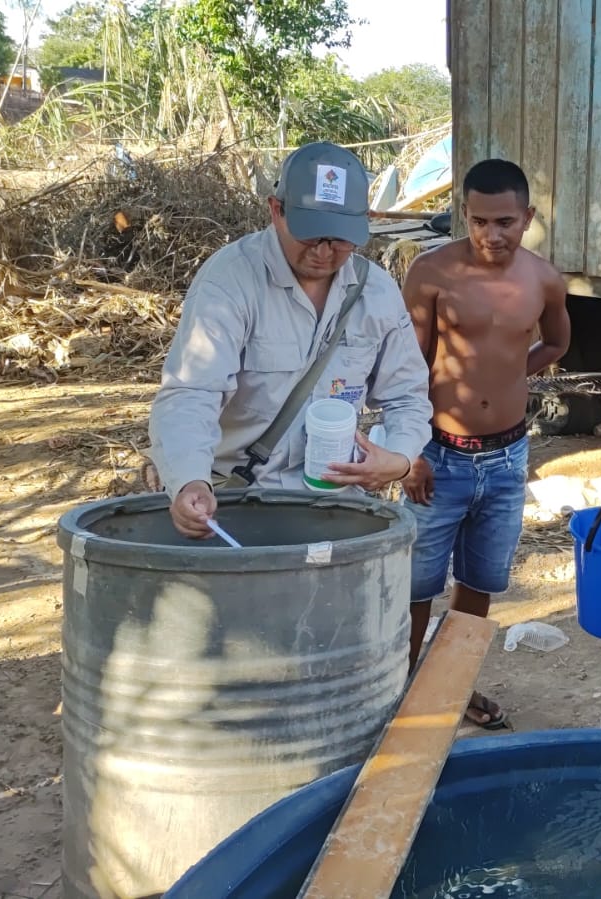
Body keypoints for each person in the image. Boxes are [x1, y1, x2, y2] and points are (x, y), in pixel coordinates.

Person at [147, 141, 433, 536]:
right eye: (310, 235)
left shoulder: (377, 292)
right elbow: (192, 392)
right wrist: (190, 480)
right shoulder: (230, 281)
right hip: (240, 503)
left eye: (339, 239)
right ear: (276, 211)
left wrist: (398, 459)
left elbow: (407, 396)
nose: (324, 252)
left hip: (338, 506)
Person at [400, 158, 570, 729]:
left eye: (505, 222)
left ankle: (450, 691)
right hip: (438, 455)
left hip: (506, 459)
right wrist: (410, 453)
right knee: (416, 587)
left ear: (528, 217)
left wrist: (510, 378)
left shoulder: (543, 279)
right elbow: (406, 371)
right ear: (464, 215)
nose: (491, 235)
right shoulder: (431, 273)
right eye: (478, 222)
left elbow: (556, 343)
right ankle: (401, 698)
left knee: (478, 584)